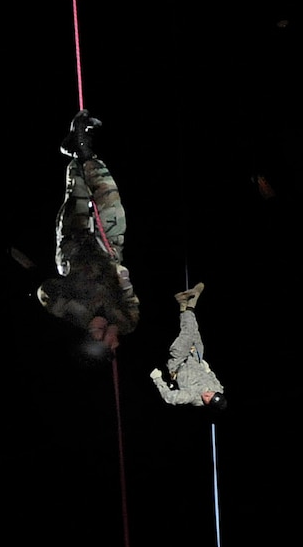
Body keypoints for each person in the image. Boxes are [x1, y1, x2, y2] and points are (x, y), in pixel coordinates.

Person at [36, 111, 140, 353]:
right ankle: (82, 147)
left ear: (98, 339)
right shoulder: (127, 322)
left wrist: (83, 315)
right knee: (109, 196)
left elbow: (46, 291)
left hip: (76, 243)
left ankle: (75, 151)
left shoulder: (76, 316)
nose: (116, 344)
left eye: (110, 347)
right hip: (108, 248)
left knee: (78, 184)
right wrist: (123, 280)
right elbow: (128, 294)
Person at [150, 283, 224, 408]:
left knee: (188, 333)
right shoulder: (218, 390)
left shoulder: (191, 396)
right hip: (196, 357)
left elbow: (169, 398)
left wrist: (157, 379)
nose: (207, 394)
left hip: (179, 361)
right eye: (211, 394)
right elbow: (217, 383)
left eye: (207, 399)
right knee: (194, 331)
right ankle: (185, 305)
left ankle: (189, 306)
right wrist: (208, 370)